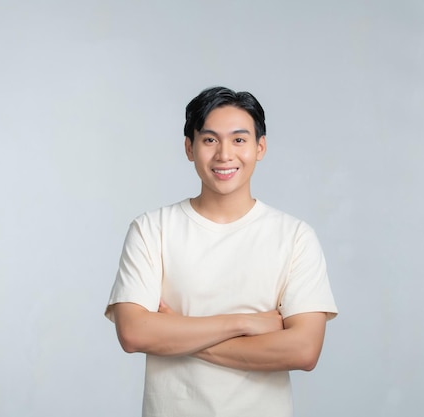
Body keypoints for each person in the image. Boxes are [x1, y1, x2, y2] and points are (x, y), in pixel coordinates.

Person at [105, 86, 338, 417]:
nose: (224, 154)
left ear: (261, 147)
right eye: (210, 140)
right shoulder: (152, 229)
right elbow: (133, 333)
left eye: (239, 140)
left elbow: (303, 350)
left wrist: (178, 333)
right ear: (189, 147)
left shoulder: (295, 236)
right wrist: (244, 323)